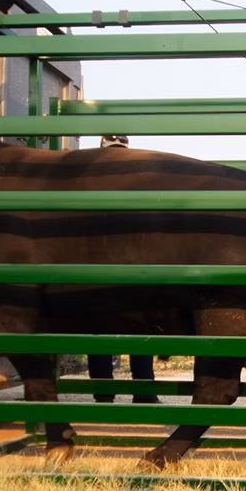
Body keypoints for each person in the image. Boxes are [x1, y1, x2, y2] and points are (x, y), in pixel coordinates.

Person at [87, 133, 160, 403]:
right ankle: (144, 391)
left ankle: (103, 394)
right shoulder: (140, 175)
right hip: (133, 262)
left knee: (100, 329)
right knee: (139, 328)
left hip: (96, 264)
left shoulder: (89, 177)